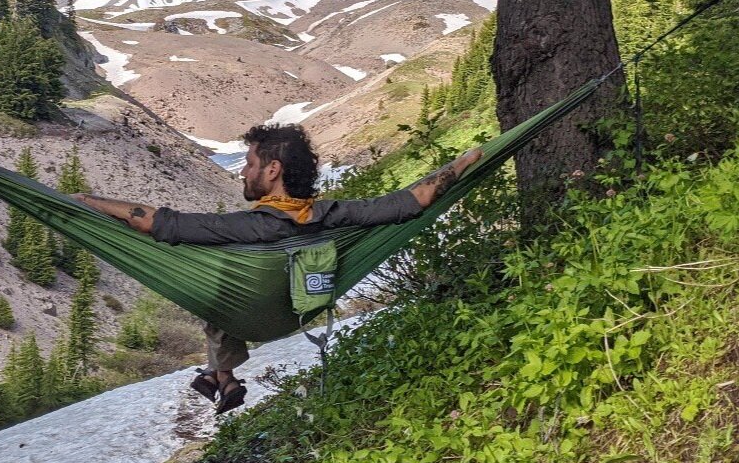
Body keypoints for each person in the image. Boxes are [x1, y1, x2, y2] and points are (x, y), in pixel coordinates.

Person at [73, 123, 483, 414]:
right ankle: (222, 378)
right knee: (226, 292)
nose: (243, 171)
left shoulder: (248, 226)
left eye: (250, 164)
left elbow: (155, 221)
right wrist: (464, 162)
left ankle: (222, 375)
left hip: (254, 313)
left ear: (273, 171)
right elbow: (417, 198)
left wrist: (89, 202)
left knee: (219, 290)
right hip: (299, 308)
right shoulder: (335, 214)